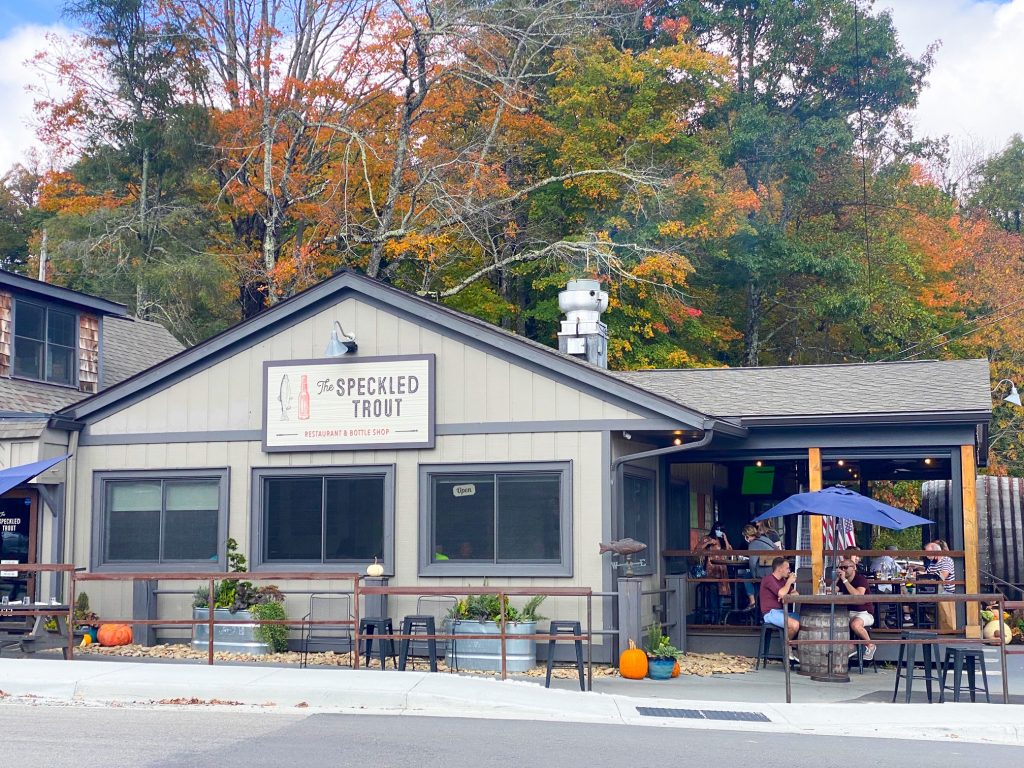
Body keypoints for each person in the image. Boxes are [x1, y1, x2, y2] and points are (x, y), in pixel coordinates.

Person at [759, 557, 800, 661]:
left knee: (805, 621)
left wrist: (786, 593)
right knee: (794, 625)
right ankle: (787, 647)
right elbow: (782, 593)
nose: (789, 571)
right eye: (787, 568)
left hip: (782, 612)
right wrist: (788, 583)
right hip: (770, 613)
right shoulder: (768, 579)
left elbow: (796, 594)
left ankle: (794, 647)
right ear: (780, 569)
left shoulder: (782, 581)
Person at [836, 559, 876, 661]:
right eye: (841, 567)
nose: (843, 570)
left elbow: (858, 595)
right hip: (847, 612)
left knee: (855, 625)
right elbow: (832, 590)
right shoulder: (841, 580)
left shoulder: (860, 579)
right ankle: (849, 647)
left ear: (853, 568)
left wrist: (844, 581)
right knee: (833, 623)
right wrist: (835, 580)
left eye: (845, 567)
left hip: (864, 612)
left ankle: (870, 645)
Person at [919, 539, 956, 631]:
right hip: (933, 589)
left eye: (928, 552)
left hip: (946, 591)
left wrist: (926, 576)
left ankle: (937, 625)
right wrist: (920, 574)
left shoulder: (946, 560)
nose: (926, 555)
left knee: (917, 597)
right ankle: (925, 623)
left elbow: (943, 576)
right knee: (910, 595)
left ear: (935, 551)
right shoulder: (933, 563)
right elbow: (927, 575)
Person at [698, 526, 733, 621]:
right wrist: (709, 543)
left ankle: (720, 618)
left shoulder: (722, 540)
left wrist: (725, 539)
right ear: (714, 529)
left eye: (721, 530)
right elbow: (697, 550)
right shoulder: (706, 538)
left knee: (721, 594)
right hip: (711, 570)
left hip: (722, 570)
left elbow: (730, 552)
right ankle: (713, 618)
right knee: (713, 593)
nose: (719, 531)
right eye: (718, 529)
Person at [742, 523, 776, 609]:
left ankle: (752, 601)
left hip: (764, 573)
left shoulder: (753, 544)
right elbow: (777, 549)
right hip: (774, 570)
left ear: (747, 535)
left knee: (746, 577)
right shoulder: (765, 539)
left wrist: (753, 577)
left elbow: (752, 563)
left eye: (745, 536)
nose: (746, 539)